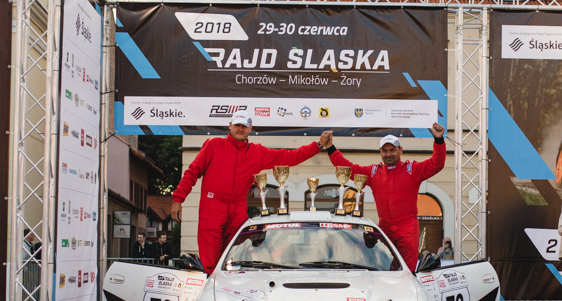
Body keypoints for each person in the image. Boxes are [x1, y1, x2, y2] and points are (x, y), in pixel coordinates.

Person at [170, 111, 327, 274]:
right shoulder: (213, 145)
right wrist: (178, 199)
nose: (240, 129)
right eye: (237, 125)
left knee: (237, 260)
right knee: (212, 263)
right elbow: (192, 172)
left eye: (244, 126)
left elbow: (289, 157)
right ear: (230, 126)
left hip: (238, 210)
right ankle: (212, 292)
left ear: (250, 128)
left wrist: (318, 145)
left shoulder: (258, 153)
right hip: (212, 207)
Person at [320, 122, 446, 271]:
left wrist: (438, 140)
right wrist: (330, 148)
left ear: (400, 150)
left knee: (406, 270)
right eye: (384, 151)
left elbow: (436, 164)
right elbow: (348, 169)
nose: (388, 154)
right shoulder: (374, 173)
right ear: (380, 152)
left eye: (392, 150)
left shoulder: (412, 170)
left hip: (407, 227)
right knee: (382, 269)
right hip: (384, 227)